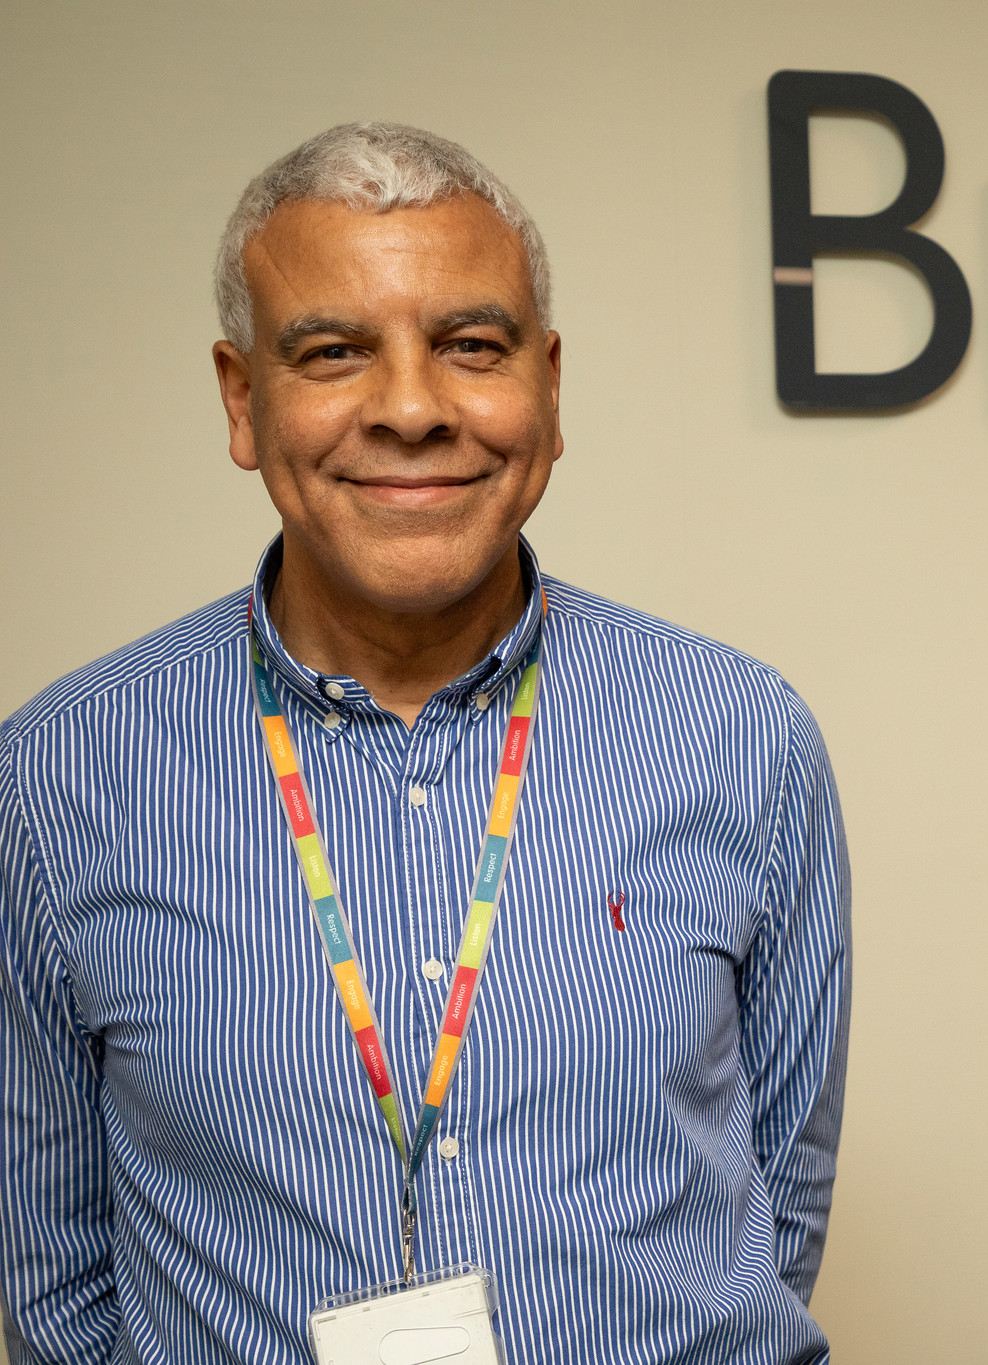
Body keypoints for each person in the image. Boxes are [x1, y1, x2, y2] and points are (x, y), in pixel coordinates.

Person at [0, 123, 849, 1364]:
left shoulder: (740, 736)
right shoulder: (53, 781)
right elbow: (56, 1285)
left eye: (471, 347)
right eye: (333, 353)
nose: (410, 409)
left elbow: (775, 1214)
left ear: (548, 387)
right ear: (243, 401)